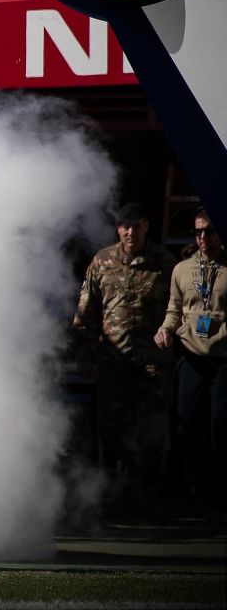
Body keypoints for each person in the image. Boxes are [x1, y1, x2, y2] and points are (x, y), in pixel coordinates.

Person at [72, 203, 177, 512]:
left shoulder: (165, 263)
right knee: (110, 430)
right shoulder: (102, 261)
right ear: (118, 228)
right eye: (125, 226)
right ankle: (111, 495)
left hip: (152, 364)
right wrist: (87, 354)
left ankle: (150, 499)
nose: (131, 232)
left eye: (137, 226)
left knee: (154, 435)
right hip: (113, 363)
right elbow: (85, 312)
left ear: (146, 226)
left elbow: (181, 306)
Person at [155, 208, 225, 510]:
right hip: (191, 356)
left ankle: (221, 491)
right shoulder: (182, 269)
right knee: (186, 424)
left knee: (219, 427)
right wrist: (166, 329)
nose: (202, 238)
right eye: (197, 232)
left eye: (208, 231)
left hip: (223, 358)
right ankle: (197, 489)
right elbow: (174, 308)